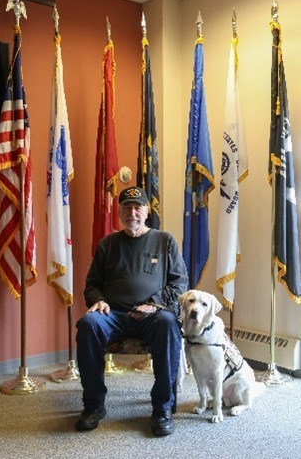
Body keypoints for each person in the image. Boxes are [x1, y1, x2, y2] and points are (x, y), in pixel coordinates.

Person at [75, 186, 188, 436]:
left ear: (147, 211)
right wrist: (99, 300)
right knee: (88, 324)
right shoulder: (107, 244)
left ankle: (162, 408)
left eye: (138, 207)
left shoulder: (164, 240)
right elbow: (92, 284)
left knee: (169, 324)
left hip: (153, 315)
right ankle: (94, 406)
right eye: (127, 207)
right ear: (120, 212)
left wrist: (155, 303)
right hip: (113, 315)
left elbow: (179, 283)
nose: (132, 212)